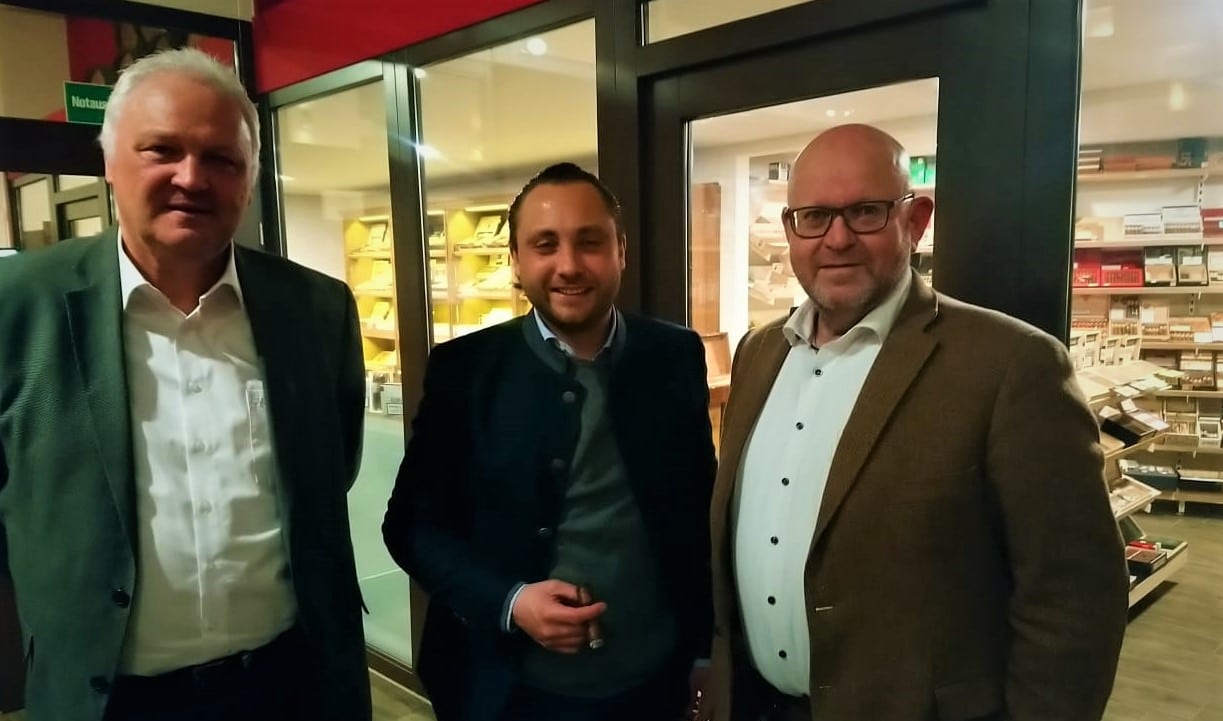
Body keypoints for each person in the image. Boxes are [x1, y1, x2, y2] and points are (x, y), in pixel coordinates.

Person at [704, 124, 1128, 721]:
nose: (837, 239)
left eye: (866, 212)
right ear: (791, 229)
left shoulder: (1011, 365)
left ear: (916, 219)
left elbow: (1074, 596)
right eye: (815, 217)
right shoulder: (758, 353)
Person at [0, 48, 371, 721]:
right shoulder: (18, 308)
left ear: (249, 178)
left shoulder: (316, 309)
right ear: (110, 162)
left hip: (289, 686)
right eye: (161, 150)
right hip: (108, 699)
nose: (191, 177)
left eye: (221, 158)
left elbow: (329, 471)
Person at [383, 162, 717, 721]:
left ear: (620, 250)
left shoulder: (674, 355)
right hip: (507, 692)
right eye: (545, 245)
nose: (569, 265)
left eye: (590, 242)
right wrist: (511, 602)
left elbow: (697, 515)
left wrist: (705, 651)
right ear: (516, 259)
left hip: (653, 685)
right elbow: (409, 529)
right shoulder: (465, 370)